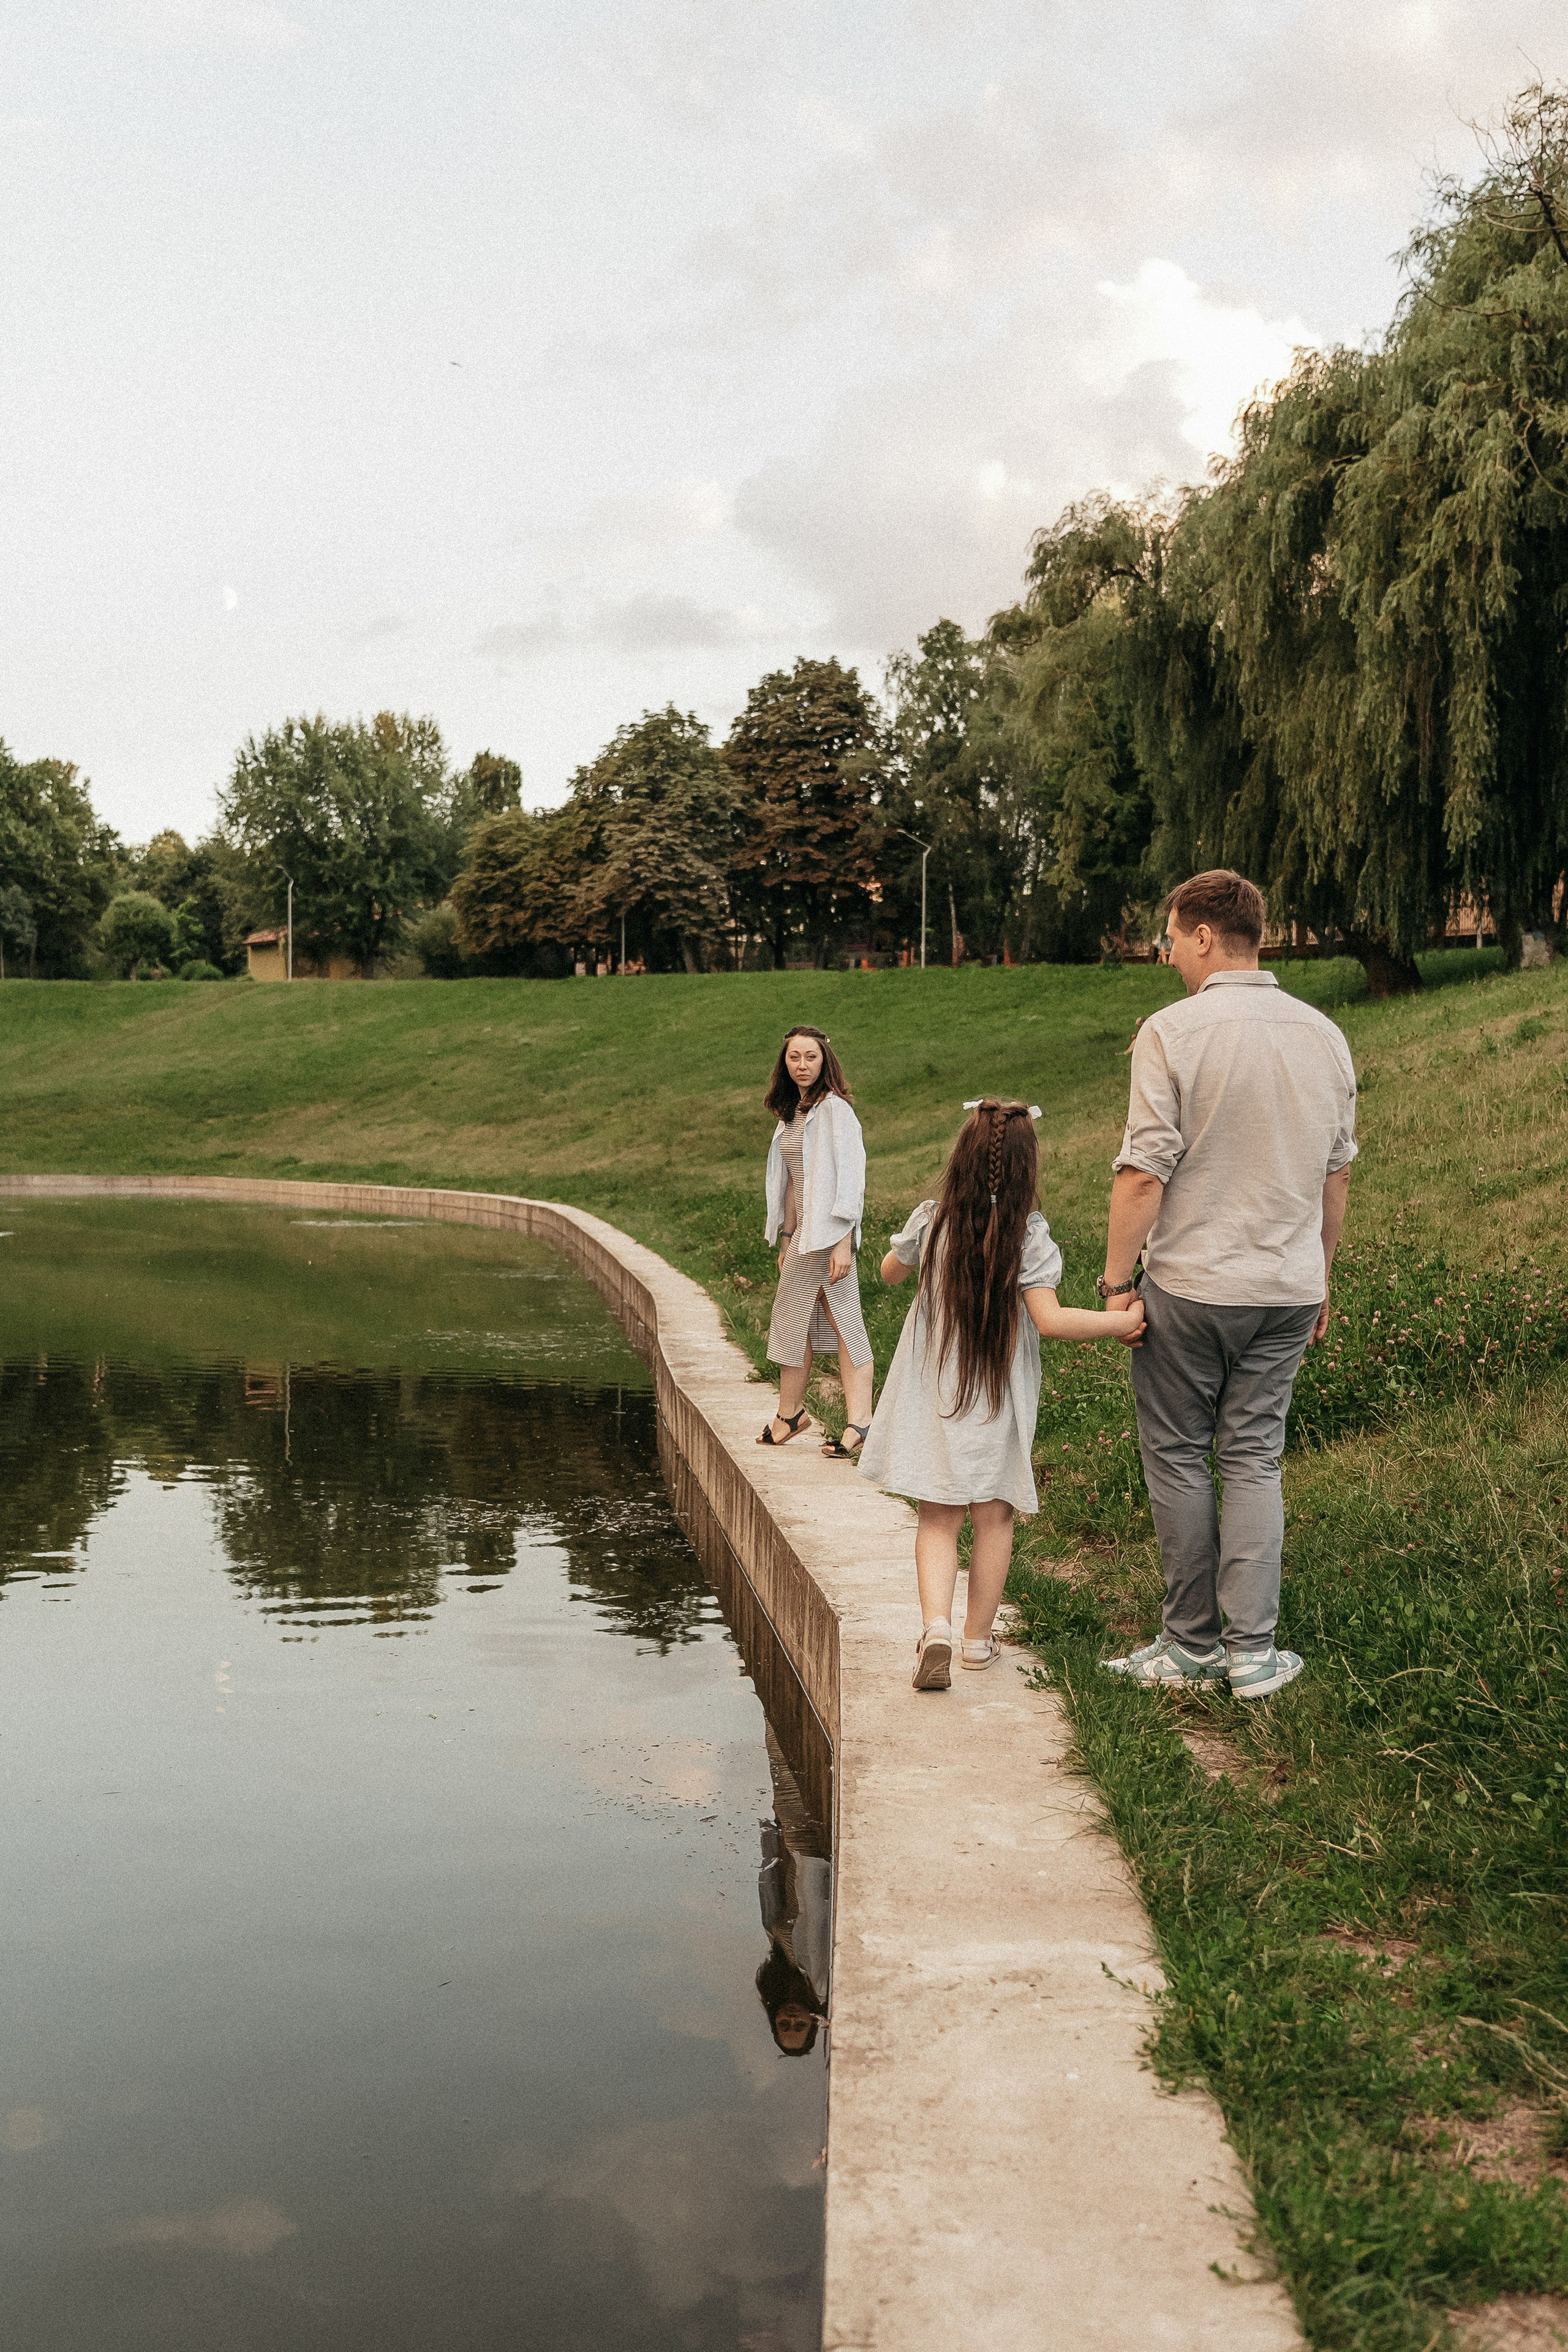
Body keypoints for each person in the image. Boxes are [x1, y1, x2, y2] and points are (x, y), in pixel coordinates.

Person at [1099, 869, 1357, 1700]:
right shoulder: (1324, 1036)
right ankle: (1253, 1656)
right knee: (1254, 1458)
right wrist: (1320, 1276)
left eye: (1170, 937)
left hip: (1194, 1284)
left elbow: (1143, 1174)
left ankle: (1191, 1647)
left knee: (1177, 1456)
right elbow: (1336, 1176)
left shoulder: (1171, 1033)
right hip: (1287, 1285)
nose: (1166, 952)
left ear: (1206, 935)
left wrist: (1113, 1284)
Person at [858, 1099, 1145, 1689]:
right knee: (994, 1515)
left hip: (937, 1395)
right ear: (1025, 1169)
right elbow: (1051, 1320)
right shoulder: (1027, 1237)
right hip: (997, 1399)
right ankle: (975, 1641)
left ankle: (934, 1627)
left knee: (938, 1517)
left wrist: (908, 1246)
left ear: (961, 1160)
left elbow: (889, 1272)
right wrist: (1122, 1322)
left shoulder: (933, 1220)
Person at [759, 1025, 876, 1458]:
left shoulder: (835, 1111)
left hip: (829, 1236)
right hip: (805, 1236)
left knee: (840, 1321)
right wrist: (787, 1237)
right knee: (800, 1321)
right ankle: (795, 1414)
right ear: (784, 1062)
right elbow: (793, 1182)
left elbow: (852, 1179)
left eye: (810, 1057)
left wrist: (843, 1241)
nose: (802, 1065)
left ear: (825, 1060)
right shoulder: (793, 1113)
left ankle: (855, 1420)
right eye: (794, 1057)